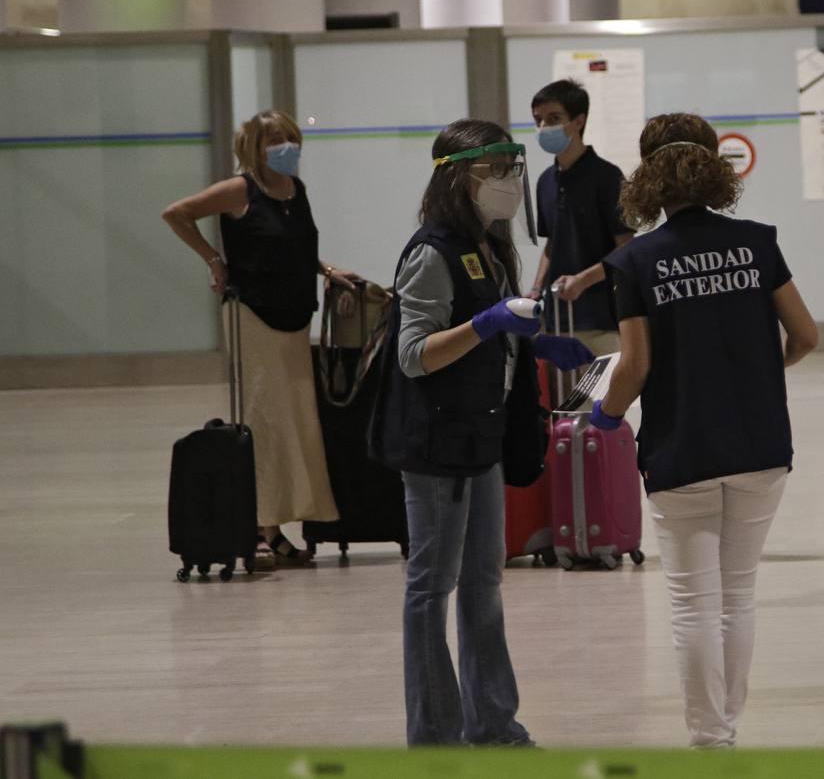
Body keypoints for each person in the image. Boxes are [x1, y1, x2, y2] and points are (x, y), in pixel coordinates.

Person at [593, 113, 818, 749]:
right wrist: (755, 372)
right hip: (760, 441)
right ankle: (728, 726)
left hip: (681, 444)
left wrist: (605, 415)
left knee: (694, 603)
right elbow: (806, 336)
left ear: (648, 176)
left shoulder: (634, 260)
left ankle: (710, 739)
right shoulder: (756, 242)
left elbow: (635, 367)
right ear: (714, 165)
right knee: (738, 596)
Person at [369, 119, 592, 746]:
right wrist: (489, 324)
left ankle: (493, 725)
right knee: (430, 589)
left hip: (481, 439)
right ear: (458, 176)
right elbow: (414, 354)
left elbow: (493, 336)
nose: (508, 184)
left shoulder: (487, 245)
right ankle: (433, 737)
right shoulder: (432, 252)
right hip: (437, 446)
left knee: (484, 586)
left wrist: (536, 340)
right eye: (495, 171)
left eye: (511, 169)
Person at [162, 109, 349, 570]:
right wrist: (213, 259)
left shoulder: (295, 190)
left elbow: (294, 246)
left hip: (294, 316)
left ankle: (279, 523)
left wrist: (327, 270)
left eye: (289, 137)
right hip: (253, 316)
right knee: (263, 420)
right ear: (254, 147)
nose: (286, 147)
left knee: (296, 421)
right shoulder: (239, 190)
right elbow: (177, 213)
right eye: (274, 140)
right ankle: (260, 528)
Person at [527, 80, 635, 362]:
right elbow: (553, 244)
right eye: (538, 120)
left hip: (602, 320)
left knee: (604, 403)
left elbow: (626, 247)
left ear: (579, 121)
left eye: (554, 119)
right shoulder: (545, 182)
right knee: (563, 405)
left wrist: (583, 280)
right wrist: (536, 290)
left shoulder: (607, 177)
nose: (544, 128)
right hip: (557, 321)